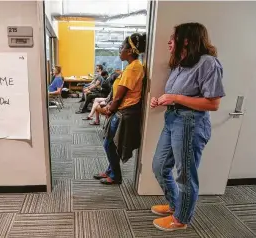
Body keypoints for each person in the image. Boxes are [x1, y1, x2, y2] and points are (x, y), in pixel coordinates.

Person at [150, 23, 225, 232]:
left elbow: (213, 103)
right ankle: (175, 205)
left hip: (190, 123)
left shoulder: (208, 63)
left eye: (173, 38)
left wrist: (174, 97)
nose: (168, 42)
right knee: (159, 166)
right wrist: (164, 100)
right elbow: (182, 96)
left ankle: (181, 219)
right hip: (173, 119)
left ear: (187, 39)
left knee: (185, 175)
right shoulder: (180, 63)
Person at [93, 32, 146, 185]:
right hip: (123, 110)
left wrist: (109, 109)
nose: (119, 50)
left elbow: (119, 96)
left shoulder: (133, 68)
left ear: (130, 51)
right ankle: (110, 171)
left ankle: (116, 176)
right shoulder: (133, 66)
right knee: (111, 143)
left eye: (122, 47)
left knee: (109, 144)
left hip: (124, 111)